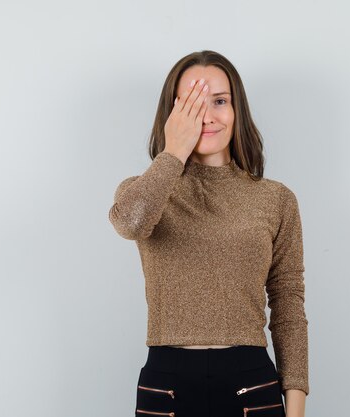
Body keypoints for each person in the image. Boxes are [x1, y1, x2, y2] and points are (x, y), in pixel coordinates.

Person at [108, 50, 308, 417]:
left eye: (219, 100)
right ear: (172, 115)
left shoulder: (275, 199)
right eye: (191, 103)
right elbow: (131, 224)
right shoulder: (144, 190)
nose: (207, 115)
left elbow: (288, 304)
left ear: (237, 111)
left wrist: (295, 409)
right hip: (166, 384)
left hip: (251, 381)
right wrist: (174, 152)